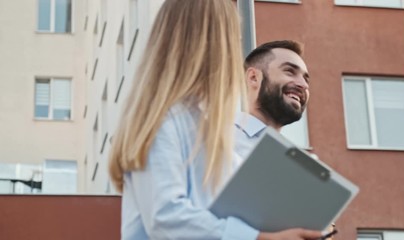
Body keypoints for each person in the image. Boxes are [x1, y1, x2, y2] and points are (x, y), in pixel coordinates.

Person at [109, 0, 323, 239]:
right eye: (231, 37)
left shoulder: (207, 127)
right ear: (207, 43)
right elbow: (166, 217)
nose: (234, 50)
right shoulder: (162, 118)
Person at [235, 40, 336, 239]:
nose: (303, 85)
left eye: (306, 79)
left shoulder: (304, 165)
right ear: (254, 77)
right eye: (290, 72)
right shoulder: (214, 141)